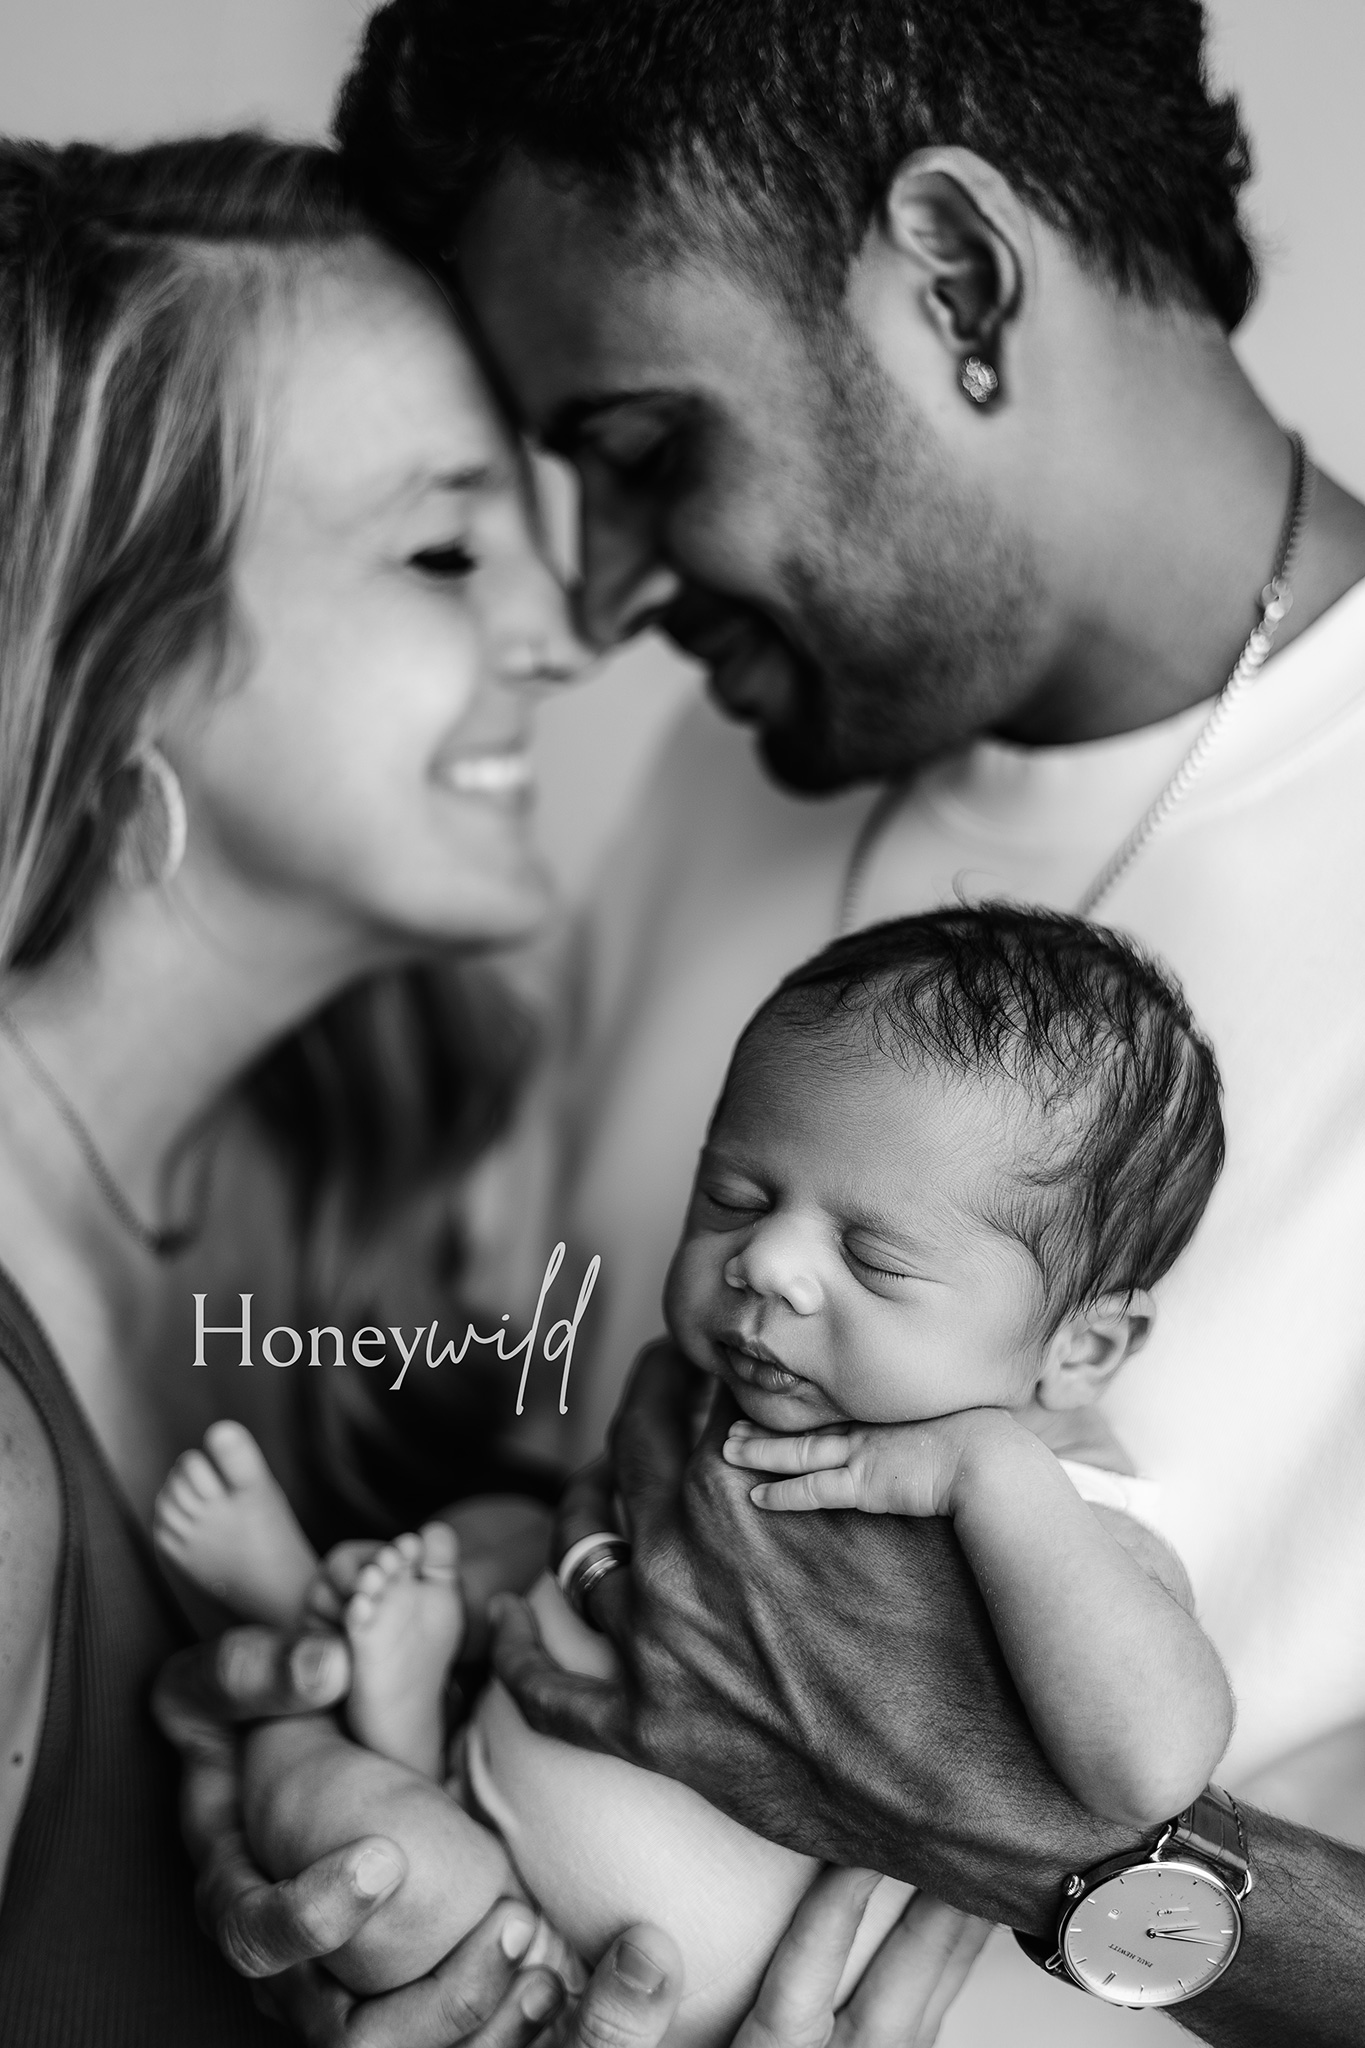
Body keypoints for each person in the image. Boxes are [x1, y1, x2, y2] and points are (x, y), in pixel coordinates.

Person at [164, 2, 1365, 2043]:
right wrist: (328, 1768)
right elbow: (567, 1464)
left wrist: (1059, 1861)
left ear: (956, 279)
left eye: (645, 451)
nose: (597, 599)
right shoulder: (725, 786)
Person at [156, 904, 1231, 2037]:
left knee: (389, 1884)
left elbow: (1152, 1765)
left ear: (1084, 1349)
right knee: (362, 1846)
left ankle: (361, 1664)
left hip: (689, 2016)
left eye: (873, 1257)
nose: (763, 1261)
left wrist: (992, 1476)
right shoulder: (723, 1387)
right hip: (471, 1858)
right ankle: (343, 1648)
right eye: (734, 1198)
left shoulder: (1068, 1518)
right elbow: (578, 1544)